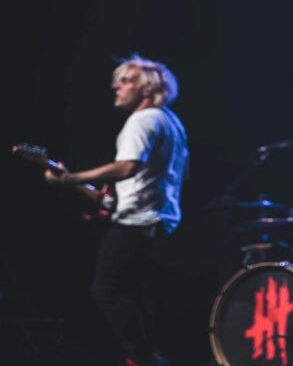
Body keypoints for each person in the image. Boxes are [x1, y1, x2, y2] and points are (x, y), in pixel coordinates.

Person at [45, 55, 188, 366]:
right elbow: (133, 184)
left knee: (106, 291)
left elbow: (127, 167)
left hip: (137, 223)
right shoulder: (169, 121)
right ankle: (146, 356)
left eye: (126, 81)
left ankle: (143, 358)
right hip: (156, 220)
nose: (116, 86)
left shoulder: (143, 120)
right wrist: (74, 184)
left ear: (148, 88)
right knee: (134, 295)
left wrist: (71, 178)